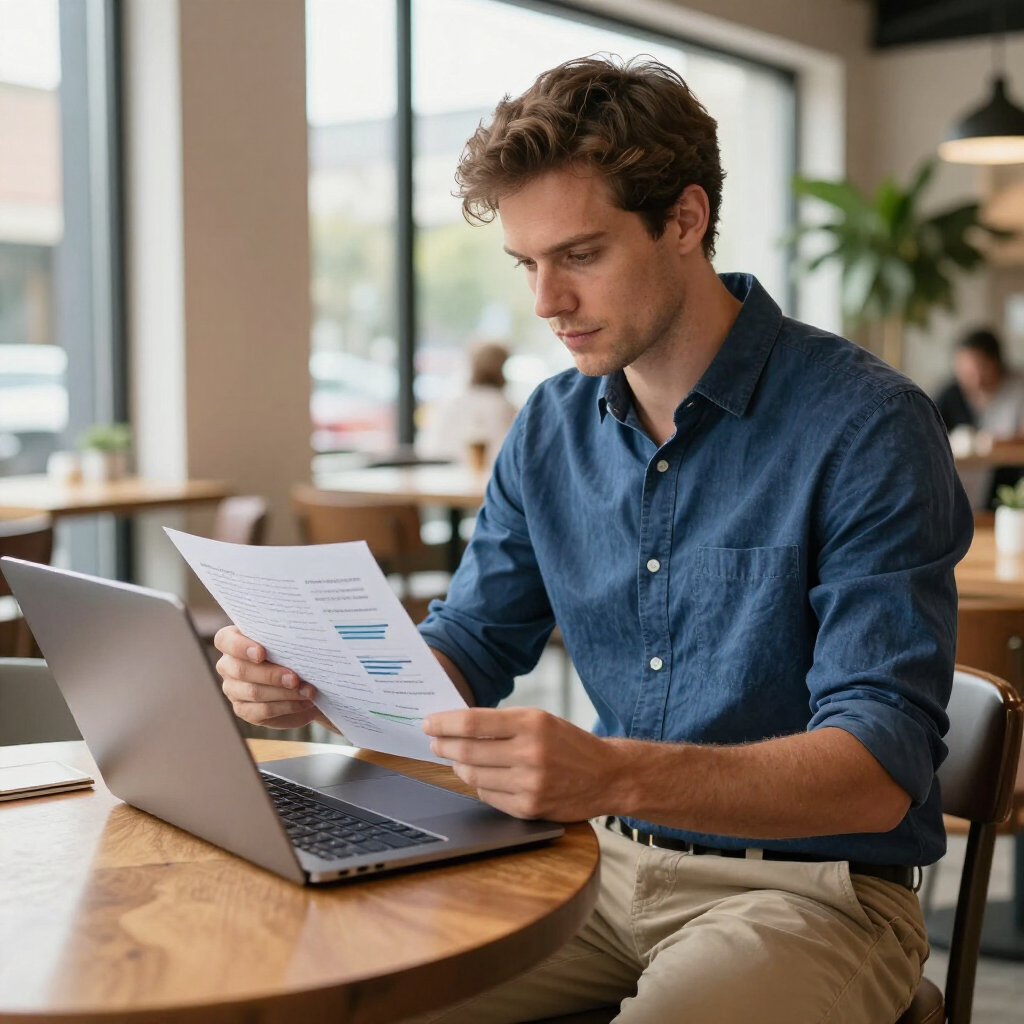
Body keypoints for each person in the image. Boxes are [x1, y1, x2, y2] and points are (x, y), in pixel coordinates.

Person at [215, 57, 972, 1024]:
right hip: (588, 863)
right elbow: (472, 647)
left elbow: (878, 771)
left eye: (579, 254)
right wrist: (321, 679)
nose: (544, 303)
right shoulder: (550, 427)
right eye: (526, 264)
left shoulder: (866, 426)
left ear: (686, 220)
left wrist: (608, 771)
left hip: (813, 895)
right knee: (335, 989)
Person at [934, 328, 1024, 507]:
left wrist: (991, 442)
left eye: (978, 366)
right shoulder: (951, 393)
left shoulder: (1017, 389)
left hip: (1009, 484)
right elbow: (928, 430)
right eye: (964, 368)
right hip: (960, 482)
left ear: (995, 362)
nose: (971, 376)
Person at [418, 340, 518, 467]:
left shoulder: (449, 403)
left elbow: (427, 448)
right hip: (479, 481)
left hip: (438, 477)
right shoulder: (504, 408)